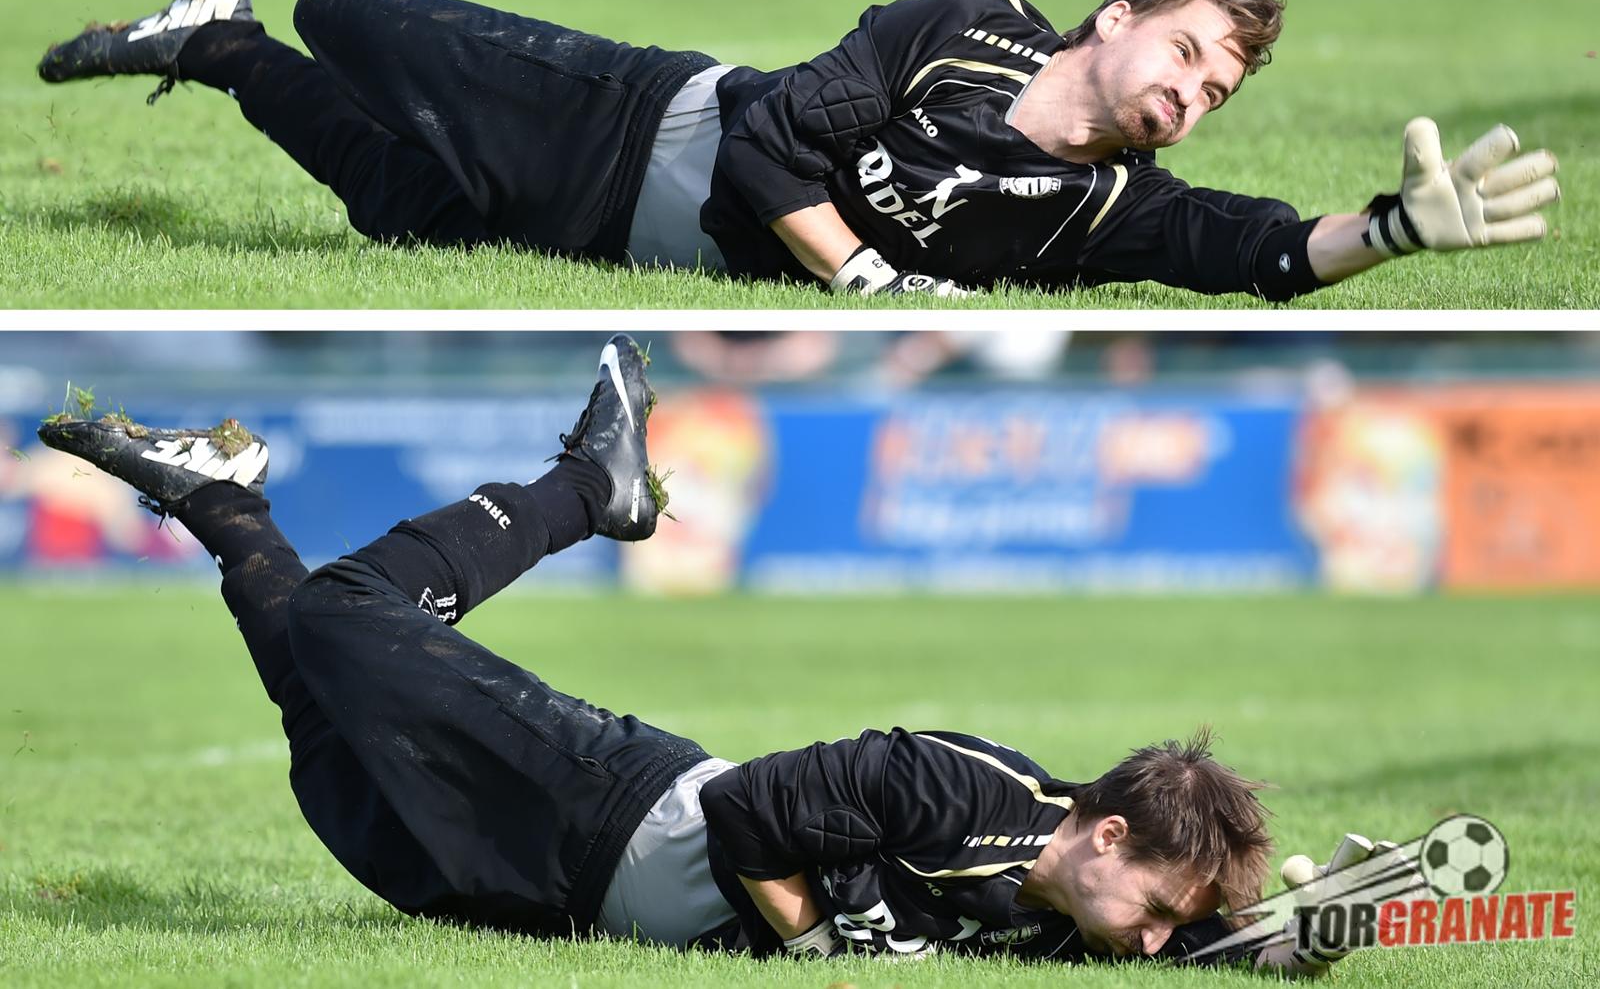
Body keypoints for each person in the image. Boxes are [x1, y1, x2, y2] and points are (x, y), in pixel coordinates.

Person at [37, 338, 1361, 968]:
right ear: (1109, 834)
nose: (1151, 943)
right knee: (343, 618)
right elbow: (744, 814)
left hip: (559, 898)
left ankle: (223, 502)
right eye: (1158, 910)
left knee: (326, 727)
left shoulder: (1077, 917)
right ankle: (589, 484)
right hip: (602, 796)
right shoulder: (955, 785)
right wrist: (819, 944)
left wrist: (1303, 934)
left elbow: (1205, 954)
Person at [36, 0, 1562, 303]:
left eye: (1216, 89)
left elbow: (1261, 251)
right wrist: (864, 273)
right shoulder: (967, 21)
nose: (1191, 92)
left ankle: (216, 39)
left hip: (605, 239)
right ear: (1116, 17)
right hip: (635, 123)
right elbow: (770, 143)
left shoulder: (1115, 207)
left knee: (390, 198)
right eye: (1188, 51)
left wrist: (1393, 228)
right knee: (354, 13)